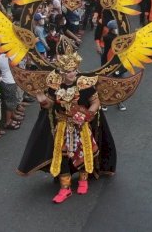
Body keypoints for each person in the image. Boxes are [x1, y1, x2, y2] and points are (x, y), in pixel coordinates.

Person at [17, 47, 116, 204]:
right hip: (62, 126)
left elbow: (95, 102)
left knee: (83, 152)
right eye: (70, 71)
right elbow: (49, 105)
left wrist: (86, 115)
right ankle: (65, 187)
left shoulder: (85, 84)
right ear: (62, 72)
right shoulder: (54, 86)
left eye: (75, 70)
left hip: (81, 126)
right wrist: (42, 99)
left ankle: (84, 179)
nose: (74, 73)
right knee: (62, 156)